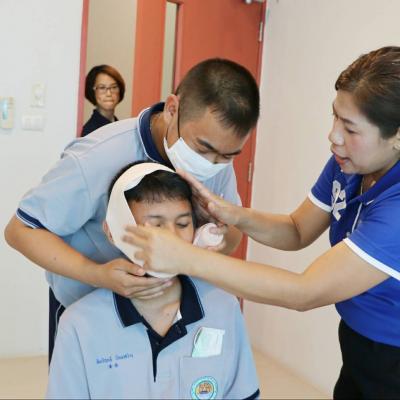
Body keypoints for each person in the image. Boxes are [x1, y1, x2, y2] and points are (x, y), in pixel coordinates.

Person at [122, 46, 400, 399]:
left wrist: (185, 257)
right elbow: (297, 229)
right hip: (359, 339)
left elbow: (305, 292)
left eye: (350, 128)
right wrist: (232, 213)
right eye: (335, 116)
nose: (334, 136)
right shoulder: (350, 162)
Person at [4, 58, 260, 361]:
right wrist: (97, 274)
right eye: (203, 149)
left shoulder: (216, 163)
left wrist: (212, 240)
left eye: (227, 156)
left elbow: (232, 236)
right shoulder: (96, 157)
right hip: (90, 313)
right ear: (172, 108)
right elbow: (21, 230)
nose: (211, 164)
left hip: (167, 317)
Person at [46, 163, 260, 400]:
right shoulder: (79, 325)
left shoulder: (223, 307)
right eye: (156, 226)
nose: (172, 240)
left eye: (182, 224)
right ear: (112, 231)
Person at [81, 64, 125, 136]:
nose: (109, 93)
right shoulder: (90, 132)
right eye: (102, 88)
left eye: (114, 87)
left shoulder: (120, 127)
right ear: (92, 92)